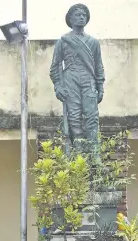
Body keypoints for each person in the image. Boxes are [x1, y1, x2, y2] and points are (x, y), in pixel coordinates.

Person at [50, 4, 105, 158]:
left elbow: (98, 66)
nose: (81, 17)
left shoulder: (93, 42)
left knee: (91, 117)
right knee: (74, 117)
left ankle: (94, 155)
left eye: (84, 15)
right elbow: (55, 66)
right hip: (70, 80)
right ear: (70, 19)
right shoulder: (63, 41)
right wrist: (58, 86)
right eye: (78, 15)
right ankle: (79, 153)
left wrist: (100, 87)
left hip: (88, 80)